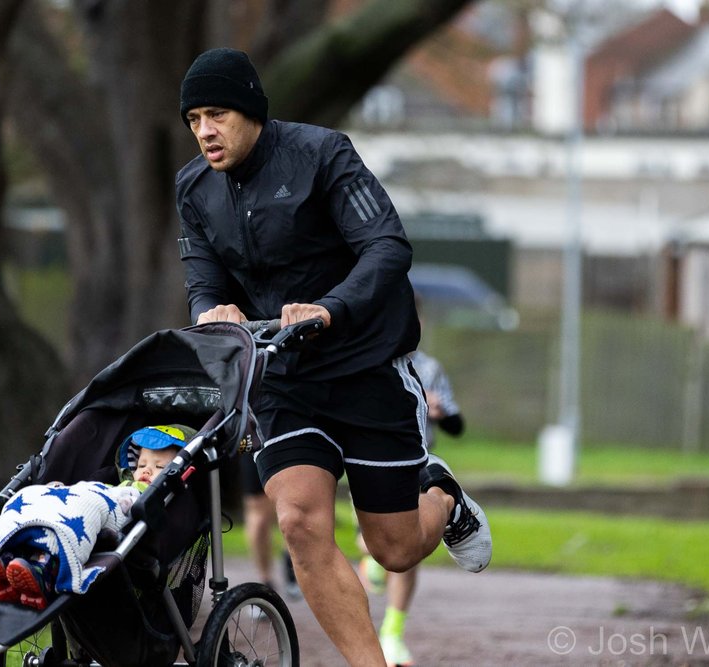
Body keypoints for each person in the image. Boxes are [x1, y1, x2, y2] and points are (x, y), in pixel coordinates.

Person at [175, 47, 491, 664]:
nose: (205, 132)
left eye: (216, 114)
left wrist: (329, 307)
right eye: (193, 120)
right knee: (298, 521)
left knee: (393, 550)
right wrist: (211, 312)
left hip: (366, 366)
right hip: (284, 377)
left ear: (250, 111)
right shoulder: (194, 188)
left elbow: (387, 247)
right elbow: (203, 281)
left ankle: (443, 497)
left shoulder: (322, 154)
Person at [0, 424, 192, 609]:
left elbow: (110, 502)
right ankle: (7, 559)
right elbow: (89, 491)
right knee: (35, 497)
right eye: (142, 464)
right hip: (91, 497)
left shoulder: (150, 496)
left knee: (76, 519)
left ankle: (43, 570)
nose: (146, 470)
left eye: (159, 467)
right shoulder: (118, 483)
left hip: (108, 511)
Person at [358, 333, 466, 665]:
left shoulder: (430, 368)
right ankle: (373, 561)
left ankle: (392, 633)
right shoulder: (361, 359)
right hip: (367, 460)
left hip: (418, 463)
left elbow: (458, 425)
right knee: (372, 544)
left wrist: (440, 413)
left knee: (407, 544)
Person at [240, 455, 301, 600]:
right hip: (252, 442)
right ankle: (265, 581)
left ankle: (290, 561)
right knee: (259, 518)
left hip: (288, 438)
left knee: (292, 508)